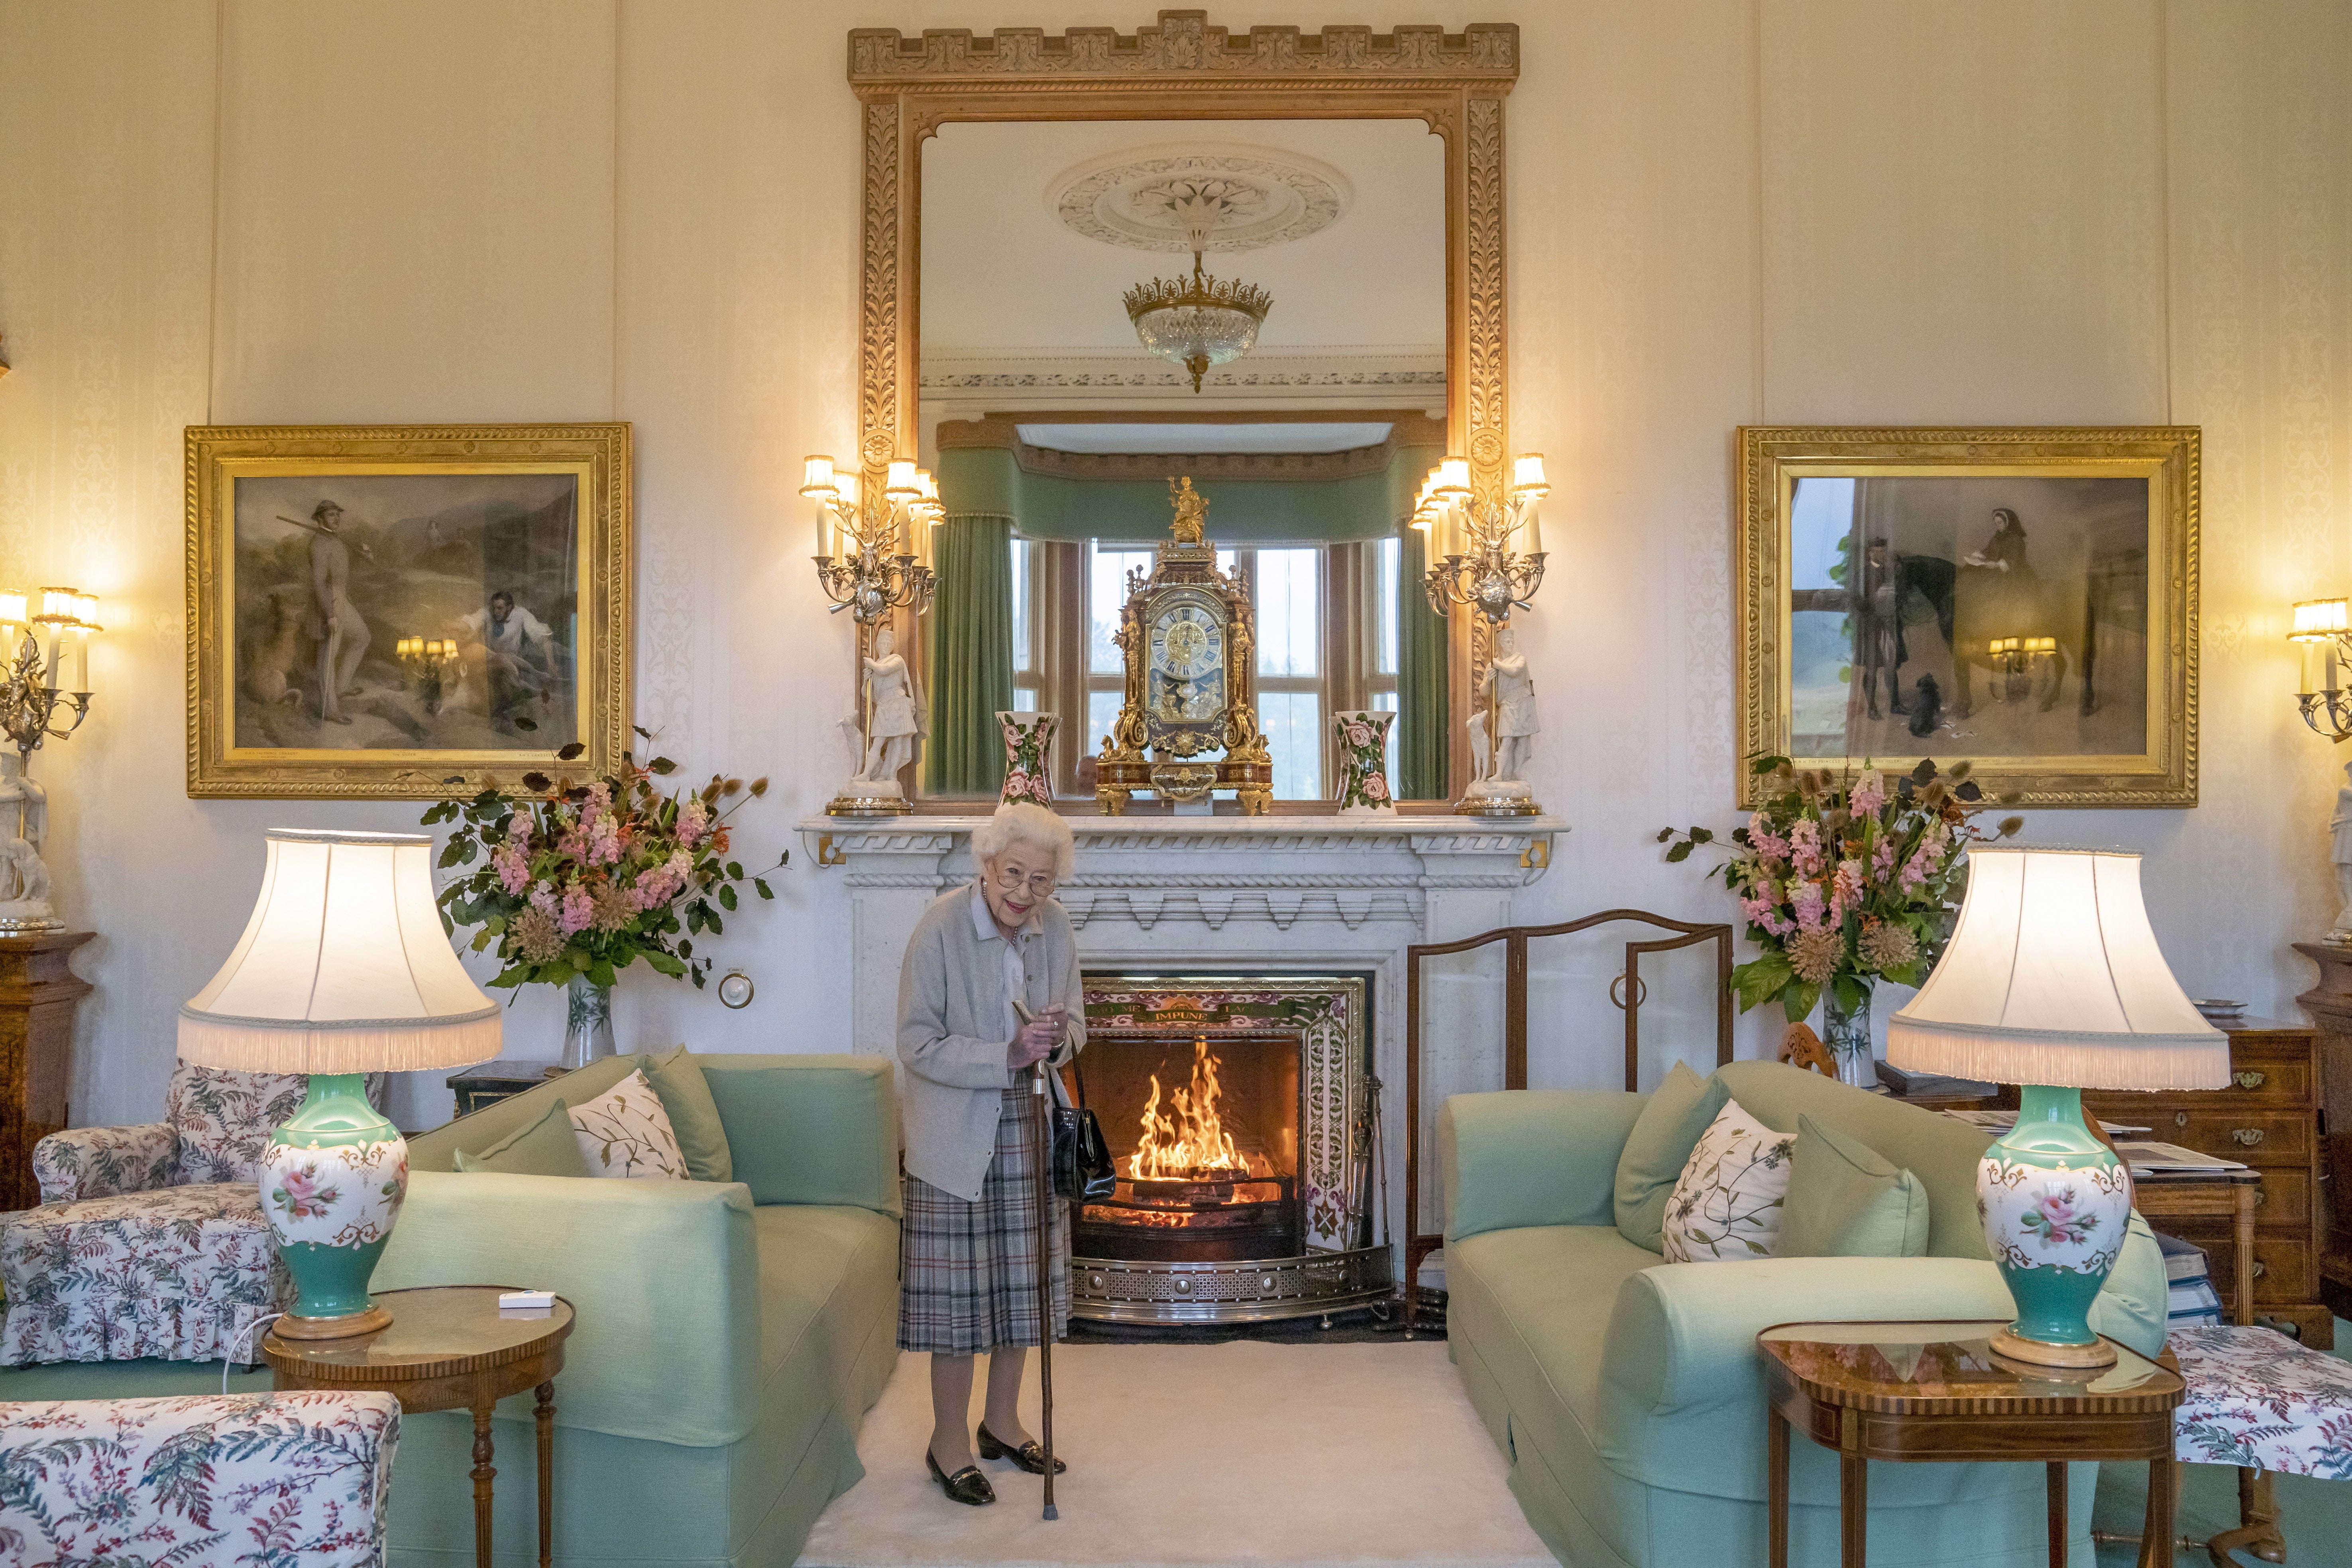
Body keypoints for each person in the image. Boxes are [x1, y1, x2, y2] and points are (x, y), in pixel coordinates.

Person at [896, 802, 1085, 1506]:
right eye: (1014, 873)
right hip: (955, 1134)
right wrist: (1005, 1052)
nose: (1024, 892)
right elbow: (915, 1043)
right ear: (986, 864)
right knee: (960, 1304)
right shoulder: (941, 926)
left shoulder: (1055, 925)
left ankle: (1001, 1422)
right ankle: (947, 1441)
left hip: (1032, 1124)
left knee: (1020, 1289)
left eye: (1041, 879)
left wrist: (1056, 1036)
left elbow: (1078, 1024)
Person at [306, 501, 369, 725]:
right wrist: (330, 613)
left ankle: (340, 688)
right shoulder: (319, 545)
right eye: (331, 515)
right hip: (330, 601)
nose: (336, 518)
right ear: (319, 519)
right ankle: (330, 709)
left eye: (337, 514)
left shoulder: (335, 539)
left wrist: (364, 555)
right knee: (328, 656)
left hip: (342, 597)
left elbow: (344, 572)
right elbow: (318, 582)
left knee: (362, 637)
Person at [456, 590, 560, 726]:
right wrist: (456, 624)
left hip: (515, 664)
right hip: (490, 664)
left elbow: (542, 637)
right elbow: (471, 621)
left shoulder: (521, 614)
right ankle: (536, 682)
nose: (496, 612)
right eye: (494, 608)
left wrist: (551, 663)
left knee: (511, 673)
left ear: (510, 607)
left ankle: (538, 683)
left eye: (500, 608)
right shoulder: (488, 613)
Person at [859, 627, 926, 783]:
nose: (887, 645)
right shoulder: (874, 666)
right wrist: (866, 680)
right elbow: (866, 694)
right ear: (878, 644)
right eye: (883, 642)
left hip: (897, 702)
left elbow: (884, 670)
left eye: (890, 642)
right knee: (878, 741)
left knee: (897, 740)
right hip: (884, 705)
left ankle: (891, 775)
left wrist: (872, 665)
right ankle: (867, 774)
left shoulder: (897, 660)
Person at [1480, 625, 1539, 783]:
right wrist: (1488, 680)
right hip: (1507, 704)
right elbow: (1484, 692)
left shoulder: (1519, 659)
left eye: (1512, 642)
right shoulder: (1492, 666)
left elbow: (1514, 671)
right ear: (1500, 644)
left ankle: (1517, 771)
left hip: (1523, 701)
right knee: (1506, 739)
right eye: (1507, 642)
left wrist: (1496, 664)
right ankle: (1500, 774)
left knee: (1522, 739)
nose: (1511, 645)